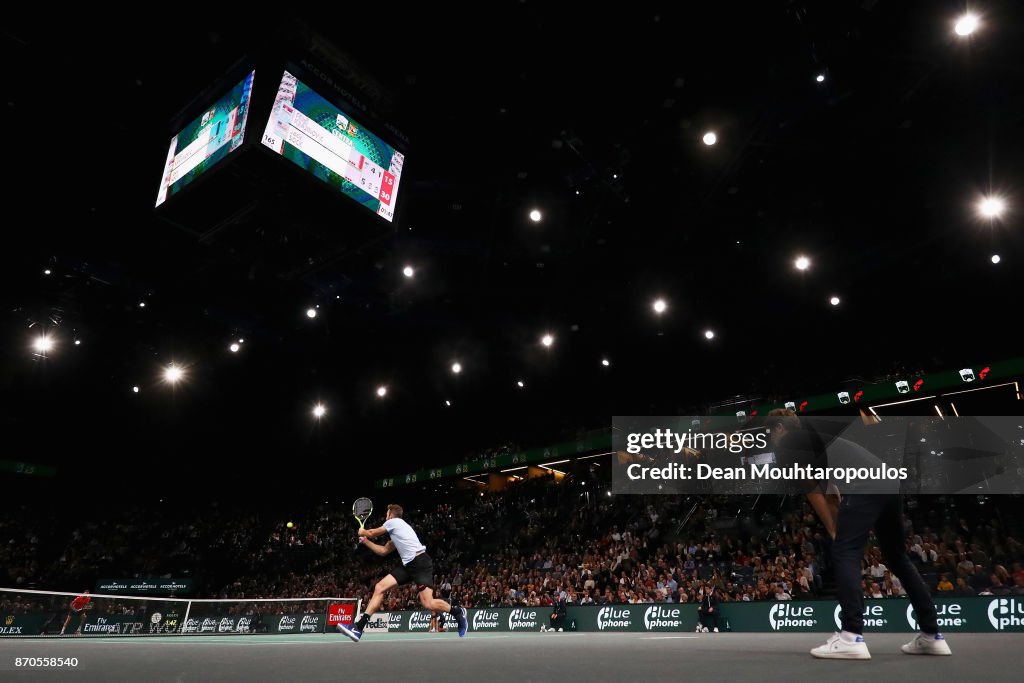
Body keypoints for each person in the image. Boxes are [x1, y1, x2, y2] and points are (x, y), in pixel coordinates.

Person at [765, 409, 951, 660]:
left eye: (769, 433)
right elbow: (831, 492)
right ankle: (932, 636)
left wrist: (834, 530)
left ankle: (851, 636)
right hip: (888, 482)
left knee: (844, 551)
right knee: (896, 557)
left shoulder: (789, 444)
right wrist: (840, 522)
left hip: (866, 485)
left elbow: (814, 492)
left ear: (779, 428)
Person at [338, 504, 467, 641]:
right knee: (379, 587)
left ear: (391, 515)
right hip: (408, 566)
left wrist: (363, 532)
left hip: (420, 562)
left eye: (386, 514)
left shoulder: (394, 522)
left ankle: (458, 612)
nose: (385, 517)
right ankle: (358, 628)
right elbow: (383, 551)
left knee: (428, 603)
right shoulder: (397, 532)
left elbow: (371, 533)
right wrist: (366, 541)